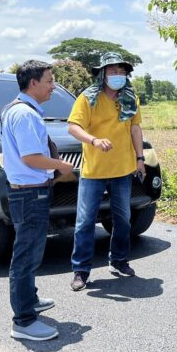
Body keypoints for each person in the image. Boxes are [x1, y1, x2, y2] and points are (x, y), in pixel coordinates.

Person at [2, 60, 74, 341]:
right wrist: (61, 165)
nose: (53, 86)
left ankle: (28, 301)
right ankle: (24, 321)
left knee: (29, 253)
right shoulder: (25, 115)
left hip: (28, 191)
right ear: (33, 83)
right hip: (30, 194)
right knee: (26, 256)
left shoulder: (15, 109)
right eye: (49, 81)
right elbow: (31, 158)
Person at [68, 52, 145, 291]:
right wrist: (93, 140)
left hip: (123, 169)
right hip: (94, 171)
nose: (118, 75)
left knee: (123, 219)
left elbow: (135, 129)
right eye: (113, 71)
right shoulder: (87, 98)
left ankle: (119, 260)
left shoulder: (130, 98)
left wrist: (140, 159)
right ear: (102, 73)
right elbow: (73, 127)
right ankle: (81, 270)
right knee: (84, 222)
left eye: (122, 72)